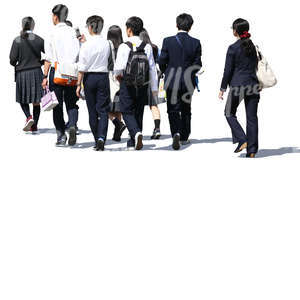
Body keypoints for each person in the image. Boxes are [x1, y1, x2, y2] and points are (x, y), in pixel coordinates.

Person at [159, 13, 202, 150]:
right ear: (190, 26)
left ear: (176, 25)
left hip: (172, 80)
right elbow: (198, 64)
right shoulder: (196, 42)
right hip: (188, 82)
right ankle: (184, 136)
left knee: (172, 109)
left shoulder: (167, 41)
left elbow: (162, 61)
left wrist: (166, 71)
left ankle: (175, 133)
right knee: (186, 108)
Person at [114, 16, 158, 150]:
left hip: (127, 83)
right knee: (138, 111)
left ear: (129, 30)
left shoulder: (124, 46)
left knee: (126, 110)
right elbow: (152, 68)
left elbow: (118, 67)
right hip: (143, 84)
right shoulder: (148, 47)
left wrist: (116, 77)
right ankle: (133, 140)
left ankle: (135, 133)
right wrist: (154, 88)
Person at [218, 18, 260, 158]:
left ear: (236, 31)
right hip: (253, 84)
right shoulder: (253, 46)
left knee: (229, 113)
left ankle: (242, 140)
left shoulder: (233, 48)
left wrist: (222, 88)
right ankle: (252, 151)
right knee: (252, 118)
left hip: (237, 85)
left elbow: (227, 70)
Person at [42, 4, 80, 147]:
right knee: (72, 103)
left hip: (56, 73)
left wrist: (44, 76)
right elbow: (79, 53)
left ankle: (61, 136)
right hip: (72, 72)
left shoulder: (51, 33)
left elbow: (48, 58)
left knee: (56, 105)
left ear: (56, 17)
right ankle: (72, 125)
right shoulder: (74, 32)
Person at [76, 16, 111, 151]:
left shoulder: (86, 45)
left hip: (89, 78)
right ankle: (102, 137)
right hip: (103, 77)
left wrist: (78, 85)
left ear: (90, 27)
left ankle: (97, 139)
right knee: (103, 110)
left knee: (92, 111)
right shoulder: (107, 43)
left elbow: (82, 67)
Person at [9, 17, 44, 133]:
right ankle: (35, 126)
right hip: (36, 72)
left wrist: (18, 62)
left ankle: (29, 117)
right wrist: (41, 62)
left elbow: (12, 60)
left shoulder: (17, 40)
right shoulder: (39, 39)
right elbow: (49, 55)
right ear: (33, 26)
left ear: (22, 25)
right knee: (36, 101)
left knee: (22, 97)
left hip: (22, 73)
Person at [139, 28, 162, 140]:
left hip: (140, 79)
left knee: (138, 106)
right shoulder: (155, 47)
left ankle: (137, 130)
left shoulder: (138, 47)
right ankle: (157, 128)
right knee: (153, 105)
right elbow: (159, 63)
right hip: (153, 78)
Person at [107, 25, 127, 142]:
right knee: (118, 108)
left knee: (105, 108)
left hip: (109, 77)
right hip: (121, 78)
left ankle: (117, 124)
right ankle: (117, 134)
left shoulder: (107, 46)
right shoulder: (123, 46)